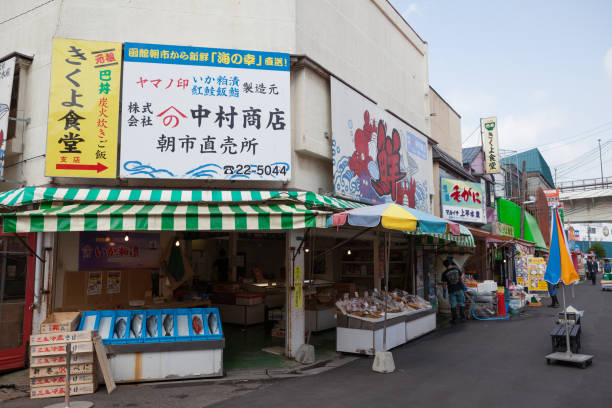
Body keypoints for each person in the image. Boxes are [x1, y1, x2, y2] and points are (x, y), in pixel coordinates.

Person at [441, 256, 465, 324]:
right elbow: (462, 278)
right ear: (450, 264)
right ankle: (463, 318)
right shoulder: (456, 269)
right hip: (459, 289)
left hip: (451, 290)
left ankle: (455, 319)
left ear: (445, 266)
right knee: (461, 303)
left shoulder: (444, 273)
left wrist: (444, 291)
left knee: (453, 304)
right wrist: (463, 285)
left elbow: (444, 283)